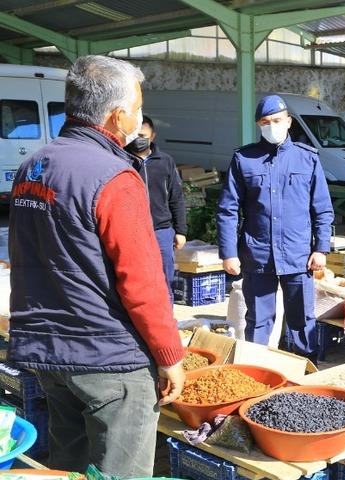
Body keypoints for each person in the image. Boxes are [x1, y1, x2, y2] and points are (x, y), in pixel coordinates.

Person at [8, 55, 185, 477]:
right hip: (108, 358)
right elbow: (141, 282)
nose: (139, 118)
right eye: (137, 108)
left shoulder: (33, 166)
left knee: (70, 465)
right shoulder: (114, 177)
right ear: (117, 115)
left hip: (51, 353)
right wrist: (169, 355)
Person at [217, 95, 334, 357]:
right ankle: (256, 372)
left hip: (299, 255)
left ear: (289, 121)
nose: (272, 126)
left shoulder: (307, 158)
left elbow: (322, 208)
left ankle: (306, 372)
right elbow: (227, 209)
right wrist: (229, 253)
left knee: (302, 322)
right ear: (259, 124)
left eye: (277, 120)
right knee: (258, 322)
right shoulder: (244, 159)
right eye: (265, 122)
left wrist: (321, 248)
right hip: (258, 255)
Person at [126, 115, 187, 301]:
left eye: (143, 135)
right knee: (135, 279)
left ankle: (167, 312)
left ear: (152, 136)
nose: (138, 139)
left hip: (161, 230)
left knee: (164, 279)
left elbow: (176, 197)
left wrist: (181, 231)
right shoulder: (122, 159)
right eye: (135, 135)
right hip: (131, 231)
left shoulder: (165, 161)